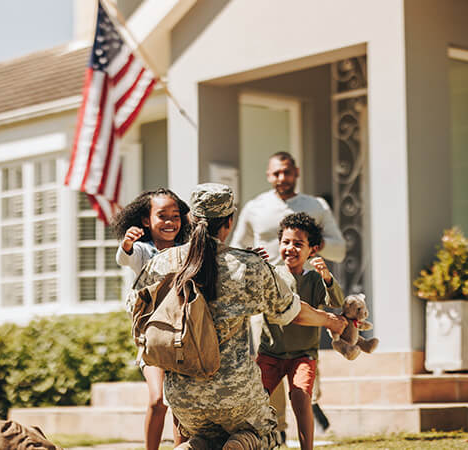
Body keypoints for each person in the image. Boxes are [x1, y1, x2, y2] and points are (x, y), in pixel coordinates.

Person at [130, 183, 347, 449]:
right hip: (237, 395)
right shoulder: (247, 265)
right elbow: (292, 311)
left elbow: (137, 312)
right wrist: (331, 321)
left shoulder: (161, 262)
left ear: (192, 219)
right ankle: (242, 443)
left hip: (184, 398)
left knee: (203, 438)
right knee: (266, 433)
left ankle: (193, 446)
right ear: (229, 222)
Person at [230, 151, 346, 440]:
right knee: (268, 364)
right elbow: (236, 248)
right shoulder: (255, 207)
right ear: (268, 176)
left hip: (303, 292)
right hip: (267, 293)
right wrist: (256, 261)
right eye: (275, 173)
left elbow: (340, 248)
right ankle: (277, 431)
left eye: (286, 172)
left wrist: (304, 244)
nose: (281, 178)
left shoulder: (315, 205)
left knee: (300, 374)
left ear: (296, 172)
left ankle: (303, 420)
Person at [256, 213, 344, 450]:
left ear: (312, 250)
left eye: (298, 243)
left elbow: (337, 302)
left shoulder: (315, 280)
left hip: (303, 355)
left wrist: (327, 277)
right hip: (270, 353)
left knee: (301, 397)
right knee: (257, 401)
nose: (290, 248)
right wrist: (255, 263)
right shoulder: (272, 274)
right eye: (285, 242)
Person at [113, 188, 191, 450]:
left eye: (175, 216)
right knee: (158, 400)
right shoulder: (144, 252)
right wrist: (126, 243)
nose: (170, 222)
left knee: (180, 404)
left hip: (182, 336)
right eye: (162, 216)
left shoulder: (188, 251)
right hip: (151, 338)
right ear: (146, 220)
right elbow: (126, 257)